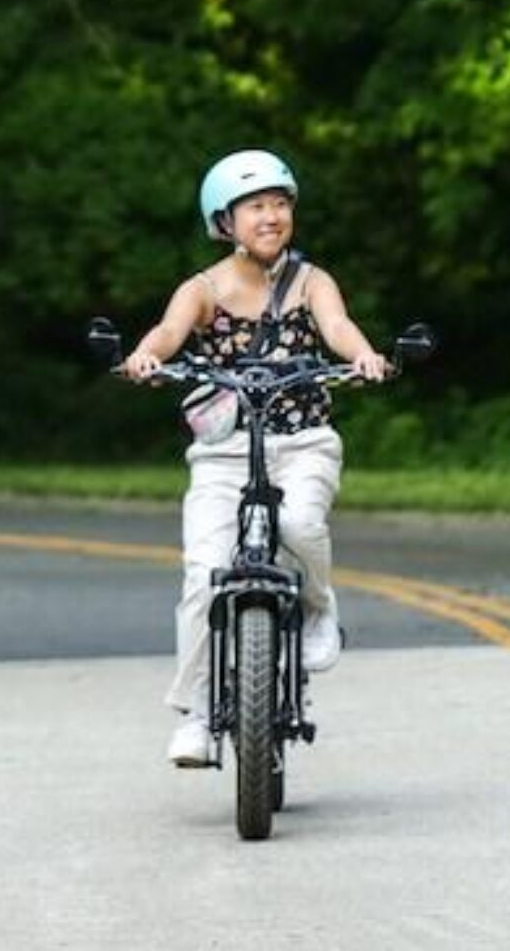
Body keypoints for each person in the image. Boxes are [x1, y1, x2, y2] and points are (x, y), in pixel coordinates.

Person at [123, 148, 389, 767]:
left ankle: (320, 607)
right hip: (223, 457)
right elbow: (167, 334)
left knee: (298, 525)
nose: (271, 217)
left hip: (304, 445)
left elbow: (338, 327)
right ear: (225, 221)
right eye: (256, 207)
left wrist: (366, 355)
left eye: (280, 204)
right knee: (203, 573)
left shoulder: (311, 280)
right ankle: (194, 714)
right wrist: (143, 355)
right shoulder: (203, 288)